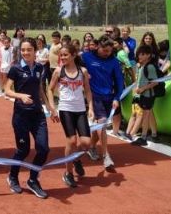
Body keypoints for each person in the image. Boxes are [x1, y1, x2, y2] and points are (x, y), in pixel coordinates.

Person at [4, 38, 50, 199]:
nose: (25, 53)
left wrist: (50, 107)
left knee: (43, 149)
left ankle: (32, 179)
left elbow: (40, 89)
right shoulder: (16, 68)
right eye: (23, 50)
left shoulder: (40, 67)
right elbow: (7, 90)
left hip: (38, 114)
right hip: (21, 115)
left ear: (35, 50)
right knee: (23, 150)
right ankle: (13, 177)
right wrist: (20, 96)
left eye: (28, 50)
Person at [46, 45, 93, 188]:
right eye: (61, 55)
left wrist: (91, 108)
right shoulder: (58, 71)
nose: (63, 58)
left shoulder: (82, 71)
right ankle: (68, 173)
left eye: (66, 55)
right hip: (66, 109)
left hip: (80, 110)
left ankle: (76, 159)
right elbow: (50, 89)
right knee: (72, 141)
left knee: (86, 143)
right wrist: (52, 108)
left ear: (73, 55)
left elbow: (88, 91)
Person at [82, 35, 124, 171]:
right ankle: (106, 155)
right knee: (103, 123)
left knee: (99, 128)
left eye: (110, 51)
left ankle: (91, 147)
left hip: (109, 97)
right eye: (105, 50)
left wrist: (117, 98)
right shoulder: (86, 57)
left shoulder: (114, 62)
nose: (107, 53)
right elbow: (72, 65)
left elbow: (119, 82)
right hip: (95, 97)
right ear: (98, 46)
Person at [130, 45, 160, 146]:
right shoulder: (143, 66)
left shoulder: (150, 67)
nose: (140, 56)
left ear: (148, 55)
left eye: (142, 54)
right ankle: (153, 135)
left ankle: (143, 137)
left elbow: (155, 82)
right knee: (147, 114)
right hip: (144, 94)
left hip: (148, 95)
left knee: (146, 115)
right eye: (139, 54)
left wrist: (143, 89)